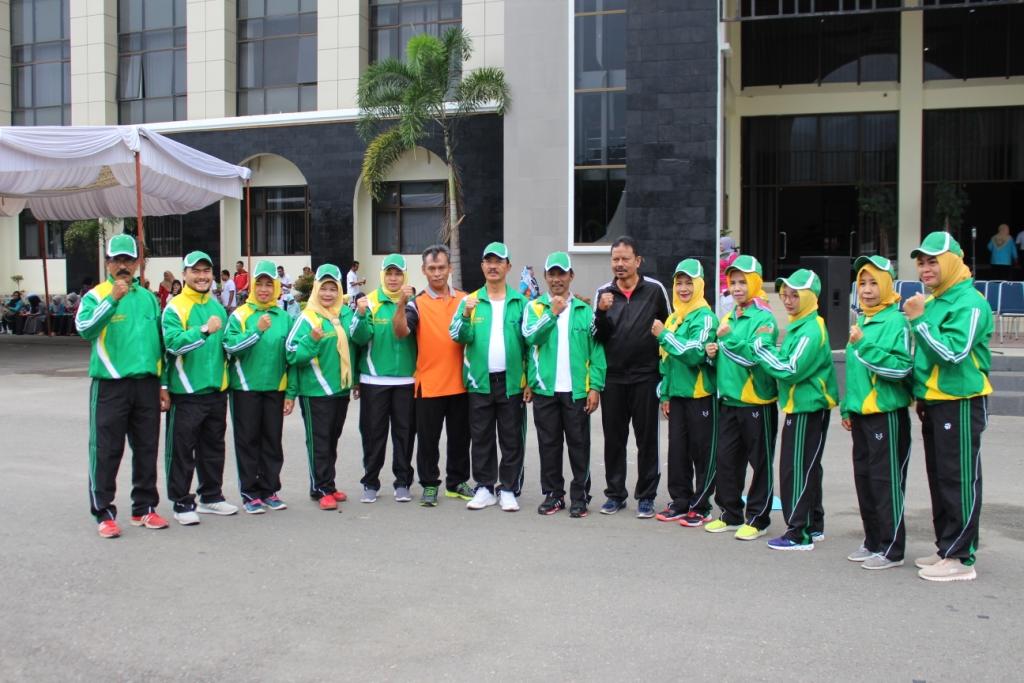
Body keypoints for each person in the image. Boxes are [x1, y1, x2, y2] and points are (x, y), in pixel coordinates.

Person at [904, 231, 992, 582]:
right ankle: (947, 547)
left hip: (960, 401)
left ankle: (960, 556)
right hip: (937, 401)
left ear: (953, 261)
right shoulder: (937, 300)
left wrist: (919, 320)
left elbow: (954, 353)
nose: (926, 269)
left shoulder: (968, 302)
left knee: (959, 479)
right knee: (941, 478)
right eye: (922, 262)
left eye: (933, 261)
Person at [75, 235, 167, 538]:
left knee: (146, 448)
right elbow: (85, 329)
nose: (123, 266)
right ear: (108, 263)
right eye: (117, 260)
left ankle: (144, 509)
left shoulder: (148, 298)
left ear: (137, 262)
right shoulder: (95, 295)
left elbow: (159, 345)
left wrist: (162, 383)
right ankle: (103, 511)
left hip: (146, 385)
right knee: (106, 450)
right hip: (110, 385)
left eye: (129, 260)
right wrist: (112, 299)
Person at [751, 269, 838, 551]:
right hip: (803, 405)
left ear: (809, 296)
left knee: (794, 469)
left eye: (794, 295)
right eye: (785, 294)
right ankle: (813, 525)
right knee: (808, 467)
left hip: (807, 407)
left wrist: (761, 345)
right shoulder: (803, 324)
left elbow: (789, 368)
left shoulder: (810, 329)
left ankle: (797, 532)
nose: (788, 300)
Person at [840, 255, 913, 570]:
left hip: (887, 414)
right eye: (862, 284)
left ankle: (892, 547)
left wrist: (865, 345)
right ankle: (872, 541)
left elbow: (902, 369)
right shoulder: (864, 321)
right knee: (865, 479)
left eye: (873, 283)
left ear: (886, 285)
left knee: (886, 481)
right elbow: (855, 374)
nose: (867, 290)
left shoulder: (897, 322)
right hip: (861, 415)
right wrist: (847, 406)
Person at [522, 252, 605, 518]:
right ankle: (554, 495)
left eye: (562, 274)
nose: (557, 279)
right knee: (549, 444)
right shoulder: (534, 308)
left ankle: (580, 496)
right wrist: (552, 313)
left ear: (571, 276)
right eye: (552, 274)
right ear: (545, 277)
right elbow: (530, 337)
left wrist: (595, 387)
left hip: (577, 391)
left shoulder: (584, 311)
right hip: (545, 389)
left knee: (579, 445)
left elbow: (597, 351)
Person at [592, 236, 670, 518]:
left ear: (638, 261)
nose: (620, 264)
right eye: (615, 259)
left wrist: (665, 379)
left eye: (625, 259)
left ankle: (646, 496)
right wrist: (601, 312)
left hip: (646, 377)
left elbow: (668, 332)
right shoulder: (603, 293)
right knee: (614, 439)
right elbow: (597, 338)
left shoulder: (655, 290)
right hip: (613, 379)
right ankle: (615, 495)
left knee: (647, 439)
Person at [450, 242, 530, 512]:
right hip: (480, 381)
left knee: (511, 438)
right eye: (488, 261)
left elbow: (530, 344)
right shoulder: (470, 300)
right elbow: (458, 336)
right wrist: (465, 314)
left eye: (499, 261)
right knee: (481, 436)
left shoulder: (521, 302)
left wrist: (528, 379)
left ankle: (507, 488)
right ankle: (484, 487)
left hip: (511, 383)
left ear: (508, 266)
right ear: (482, 266)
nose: (493, 266)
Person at [392, 244, 475, 506]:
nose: (437, 273)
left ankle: (457, 481)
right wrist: (401, 303)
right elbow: (401, 332)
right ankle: (429, 484)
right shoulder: (417, 304)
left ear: (450, 269)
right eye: (432, 269)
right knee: (428, 440)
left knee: (461, 438)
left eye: (441, 268)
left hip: (461, 384)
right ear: (424, 271)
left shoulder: (465, 299)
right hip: (429, 385)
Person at [704, 255, 779, 541]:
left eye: (742, 282)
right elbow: (725, 358)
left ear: (755, 282)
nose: (736, 287)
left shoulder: (764, 318)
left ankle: (759, 518)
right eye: (732, 282)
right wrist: (712, 354)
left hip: (756, 402)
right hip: (729, 402)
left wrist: (727, 340)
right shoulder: (728, 317)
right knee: (726, 460)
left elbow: (755, 356)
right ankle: (730, 513)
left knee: (760, 463)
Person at [161, 250, 237, 526]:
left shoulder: (217, 307)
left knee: (213, 447)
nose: (202, 276)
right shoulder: (175, 307)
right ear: (184, 274)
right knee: (182, 450)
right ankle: (181, 501)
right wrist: (203, 331)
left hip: (216, 390)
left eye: (206, 271)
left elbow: (226, 347)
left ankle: (211, 496)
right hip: (186, 392)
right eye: (196, 271)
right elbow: (172, 344)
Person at [223, 260, 296, 514]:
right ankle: (250, 492)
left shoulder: (285, 317)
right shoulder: (240, 315)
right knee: (248, 440)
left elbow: (291, 358)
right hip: (245, 388)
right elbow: (230, 347)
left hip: (275, 388)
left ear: (276, 286)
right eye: (260, 284)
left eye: (269, 284)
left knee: (272, 441)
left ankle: (270, 489)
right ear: (252, 286)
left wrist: (290, 392)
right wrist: (256, 330)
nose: (264, 289)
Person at [285, 264, 359, 511]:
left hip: (340, 390)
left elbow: (354, 348)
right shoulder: (307, 317)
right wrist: (312, 340)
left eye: (333, 289)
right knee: (319, 441)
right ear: (316, 289)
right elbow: (292, 353)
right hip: (315, 390)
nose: (328, 294)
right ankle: (320, 488)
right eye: (324, 288)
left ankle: (328, 483)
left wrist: (355, 380)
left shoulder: (344, 314)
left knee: (332, 439)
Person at [652, 259, 719, 527]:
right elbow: (666, 362)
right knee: (677, 452)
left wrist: (664, 335)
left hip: (700, 396)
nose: (683, 288)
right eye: (679, 283)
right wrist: (665, 395)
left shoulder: (705, 317)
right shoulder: (674, 317)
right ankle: (680, 501)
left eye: (689, 283)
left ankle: (701, 506)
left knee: (702, 452)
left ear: (700, 284)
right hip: (677, 396)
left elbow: (694, 354)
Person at [350, 254, 417, 503]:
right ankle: (370, 482)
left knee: (405, 435)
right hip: (374, 381)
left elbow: (412, 334)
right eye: (389, 273)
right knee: (373, 435)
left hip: (405, 382)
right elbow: (357, 339)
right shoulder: (369, 302)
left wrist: (404, 301)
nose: (393, 278)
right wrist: (359, 314)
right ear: (382, 275)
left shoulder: (412, 302)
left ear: (405, 276)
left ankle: (402, 482)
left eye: (398, 274)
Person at [718, 236, 739, 316]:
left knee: (726, 308)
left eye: (721, 244)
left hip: (727, 289)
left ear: (727, 244)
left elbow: (734, 272)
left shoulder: (732, 256)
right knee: (720, 310)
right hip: (720, 289)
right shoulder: (721, 255)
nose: (720, 246)